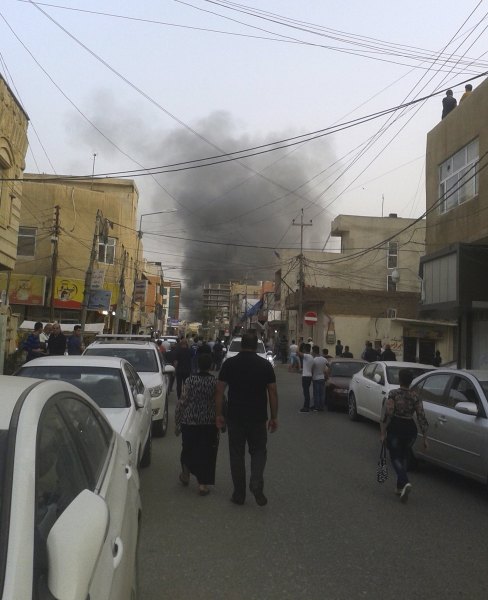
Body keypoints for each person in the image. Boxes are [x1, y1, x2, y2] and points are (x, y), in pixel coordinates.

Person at [216, 333, 278, 506]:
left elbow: (220, 390)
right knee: (259, 451)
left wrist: (219, 414)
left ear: (242, 344)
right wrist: (274, 417)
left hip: (235, 417)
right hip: (258, 417)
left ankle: (239, 494)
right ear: (256, 346)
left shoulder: (230, 363)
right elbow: (272, 391)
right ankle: (256, 480)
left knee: (237, 454)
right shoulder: (265, 365)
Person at [380, 368, 429, 502]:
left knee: (395, 456)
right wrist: (425, 437)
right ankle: (400, 488)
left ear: (400, 380)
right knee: (404, 455)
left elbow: (388, 413)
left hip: (396, 426)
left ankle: (405, 481)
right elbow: (421, 416)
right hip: (410, 429)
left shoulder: (393, 393)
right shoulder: (416, 396)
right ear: (411, 381)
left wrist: (383, 432)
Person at [175, 353, 219, 496]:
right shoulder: (215, 382)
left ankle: (186, 474)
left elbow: (183, 401)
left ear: (198, 365)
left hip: (189, 421)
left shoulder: (190, 380)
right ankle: (202, 484)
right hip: (208, 422)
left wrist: (177, 421)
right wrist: (221, 419)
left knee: (188, 448)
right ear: (211, 366)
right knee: (206, 452)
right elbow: (221, 402)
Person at [298, 343, 314, 413]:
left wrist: (299, 345)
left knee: (306, 392)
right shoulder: (311, 356)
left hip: (306, 376)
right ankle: (306, 406)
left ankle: (306, 407)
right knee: (306, 391)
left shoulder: (307, 356)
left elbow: (297, 352)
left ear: (305, 349)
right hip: (309, 375)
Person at [311, 345, 328, 411]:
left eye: (312, 351)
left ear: (314, 351)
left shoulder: (314, 360)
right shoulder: (324, 359)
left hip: (315, 378)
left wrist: (311, 377)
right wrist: (327, 374)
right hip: (322, 378)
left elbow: (312, 369)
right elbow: (329, 366)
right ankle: (322, 407)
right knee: (322, 393)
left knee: (316, 393)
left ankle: (317, 407)